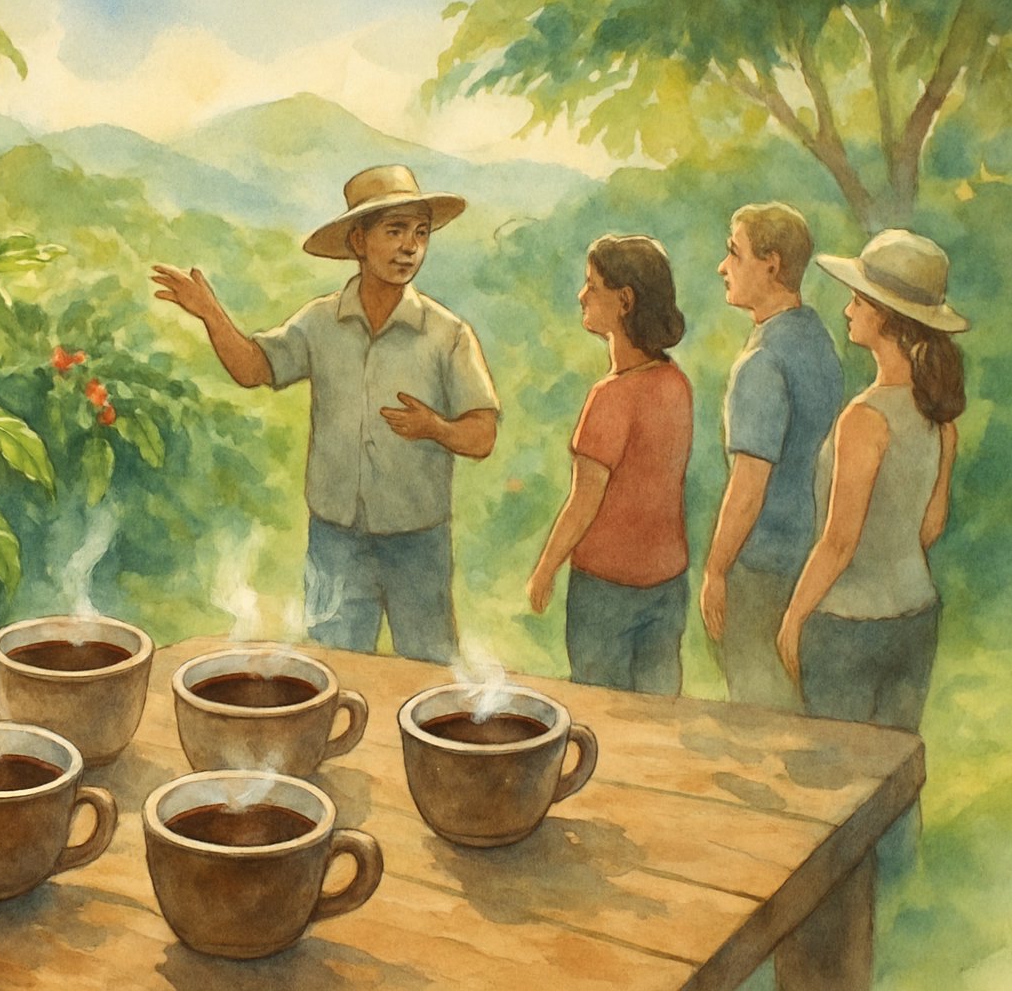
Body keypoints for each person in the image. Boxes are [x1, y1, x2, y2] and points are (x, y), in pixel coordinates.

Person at [151, 164, 500, 663]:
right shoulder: (320, 322)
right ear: (358, 241)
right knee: (333, 668)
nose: (410, 247)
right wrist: (211, 313)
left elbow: (482, 434)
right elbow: (255, 367)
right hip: (335, 536)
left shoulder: (447, 334)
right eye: (395, 231)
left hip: (418, 540)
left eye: (421, 234)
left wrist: (435, 428)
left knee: (429, 670)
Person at [777, 228, 965, 754]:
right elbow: (931, 527)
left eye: (858, 300)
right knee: (896, 773)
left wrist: (793, 617)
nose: (847, 311)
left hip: (849, 629)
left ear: (888, 318)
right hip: (917, 614)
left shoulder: (865, 417)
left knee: (842, 782)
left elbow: (839, 542)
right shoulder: (940, 417)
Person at [526, 236, 692, 694]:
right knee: (658, 716)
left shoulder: (610, 398)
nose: (581, 296)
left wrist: (545, 569)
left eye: (592, 286)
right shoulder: (676, 383)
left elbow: (583, 502)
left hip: (606, 591)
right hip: (668, 584)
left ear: (625, 301)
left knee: (602, 716)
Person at [701, 203, 843, 710]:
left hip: (762, 572)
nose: (723, 267)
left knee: (762, 726)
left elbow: (748, 485)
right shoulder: (820, 341)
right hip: (815, 565)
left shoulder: (761, 362)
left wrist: (716, 570)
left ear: (772, 265)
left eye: (733, 253)